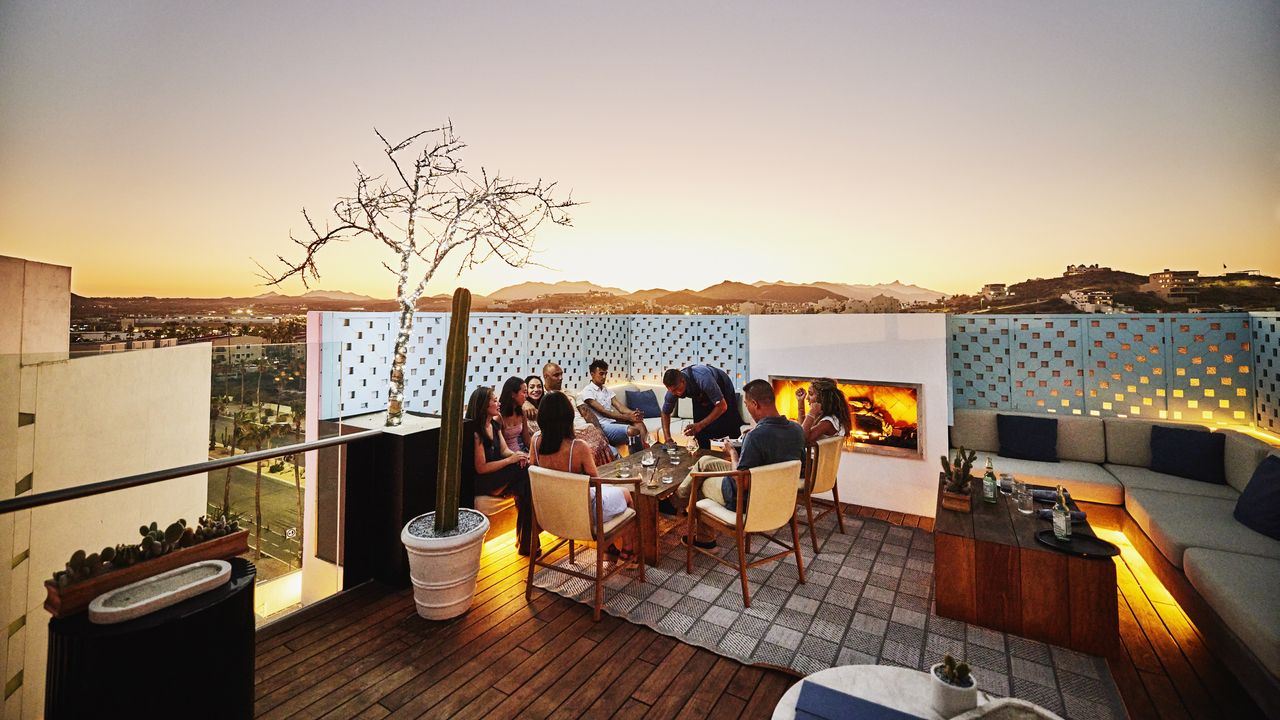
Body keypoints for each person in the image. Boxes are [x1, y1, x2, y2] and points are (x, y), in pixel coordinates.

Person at [681, 378, 805, 546]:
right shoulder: (797, 430)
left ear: (755, 404)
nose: (747, 407)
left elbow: (741, 482)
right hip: (778, 499)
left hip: (745, 500)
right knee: (705, 462)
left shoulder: (755, 437)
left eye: (746, 405)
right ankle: (678, 498)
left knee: (700, 480)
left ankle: (705, 540)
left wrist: (732, 452)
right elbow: (796, 467)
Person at [529, 391, 635, 556]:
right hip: (581, 515)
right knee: (627, 494)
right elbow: (596, 482)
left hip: (550, 514)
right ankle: (627, 551)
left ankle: (608, 548)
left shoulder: (535, 441)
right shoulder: (578, 447)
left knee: (607, 490)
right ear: (568, 416)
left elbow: (536, 473)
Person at [467, 386, 534, 555]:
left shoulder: (495, 425)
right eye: (494, 400)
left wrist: (518, 455)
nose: (498, 403)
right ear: (483, 405)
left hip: (499, 475)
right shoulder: (476, 432)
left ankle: (527, 542)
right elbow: (481, 468)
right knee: (525, 476)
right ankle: (526, 542)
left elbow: (505, 450)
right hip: (485, 481)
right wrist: (510, 460)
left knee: (525, 473)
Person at [543, 361, 616, 466]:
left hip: (587, 428)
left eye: (561, 374)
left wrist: (599, 430)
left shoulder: (571, 393)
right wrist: (527, 403)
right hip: (570, 433)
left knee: (612, 451)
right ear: (546, 376)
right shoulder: (543, 396)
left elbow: (586, 413)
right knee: (592, 451)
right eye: (556, 375)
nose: (561, 378)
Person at [660, 364, 745, 450]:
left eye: (676, 389)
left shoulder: (703, 379)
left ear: (683, 381)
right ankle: (704, 457)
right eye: (671, 390)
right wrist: (668, 439)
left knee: (731, 423)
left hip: (722, 384)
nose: (674, 393)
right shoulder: (673, 391)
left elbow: (722, 406)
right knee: (699, 432)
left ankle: (739, 456)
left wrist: (700, 425)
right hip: (700, 393)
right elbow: (665, 413)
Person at [577, 359, 649, 451]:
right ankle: (637, 458)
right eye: (601, 373)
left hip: (613, 422)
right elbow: (603, 412)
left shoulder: (606, 390)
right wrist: (627, 417)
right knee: (633, 431)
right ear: (592, 374)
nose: (604, 377)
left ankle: (645, 453)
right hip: (603, 426)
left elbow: (619, 406)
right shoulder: (587, 391)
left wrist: (634, 414)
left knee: (639, 423)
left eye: (605, 374)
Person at [795, 378, 852, 444]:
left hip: (817, 454)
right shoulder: (829, 417)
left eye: (810, 394)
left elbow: (802, 438)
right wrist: (800, 402)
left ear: (822, 398)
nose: (807, 398)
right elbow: (801, 430)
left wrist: (812, 412)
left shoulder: (828, 422)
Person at [498, 376, 533, 452]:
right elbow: (501, 448)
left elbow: (527, 440)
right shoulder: (499, 416)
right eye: (524, 392)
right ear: (513, 394)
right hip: (506, 457)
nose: (526, 396)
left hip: (520, 453)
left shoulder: (522, 413)